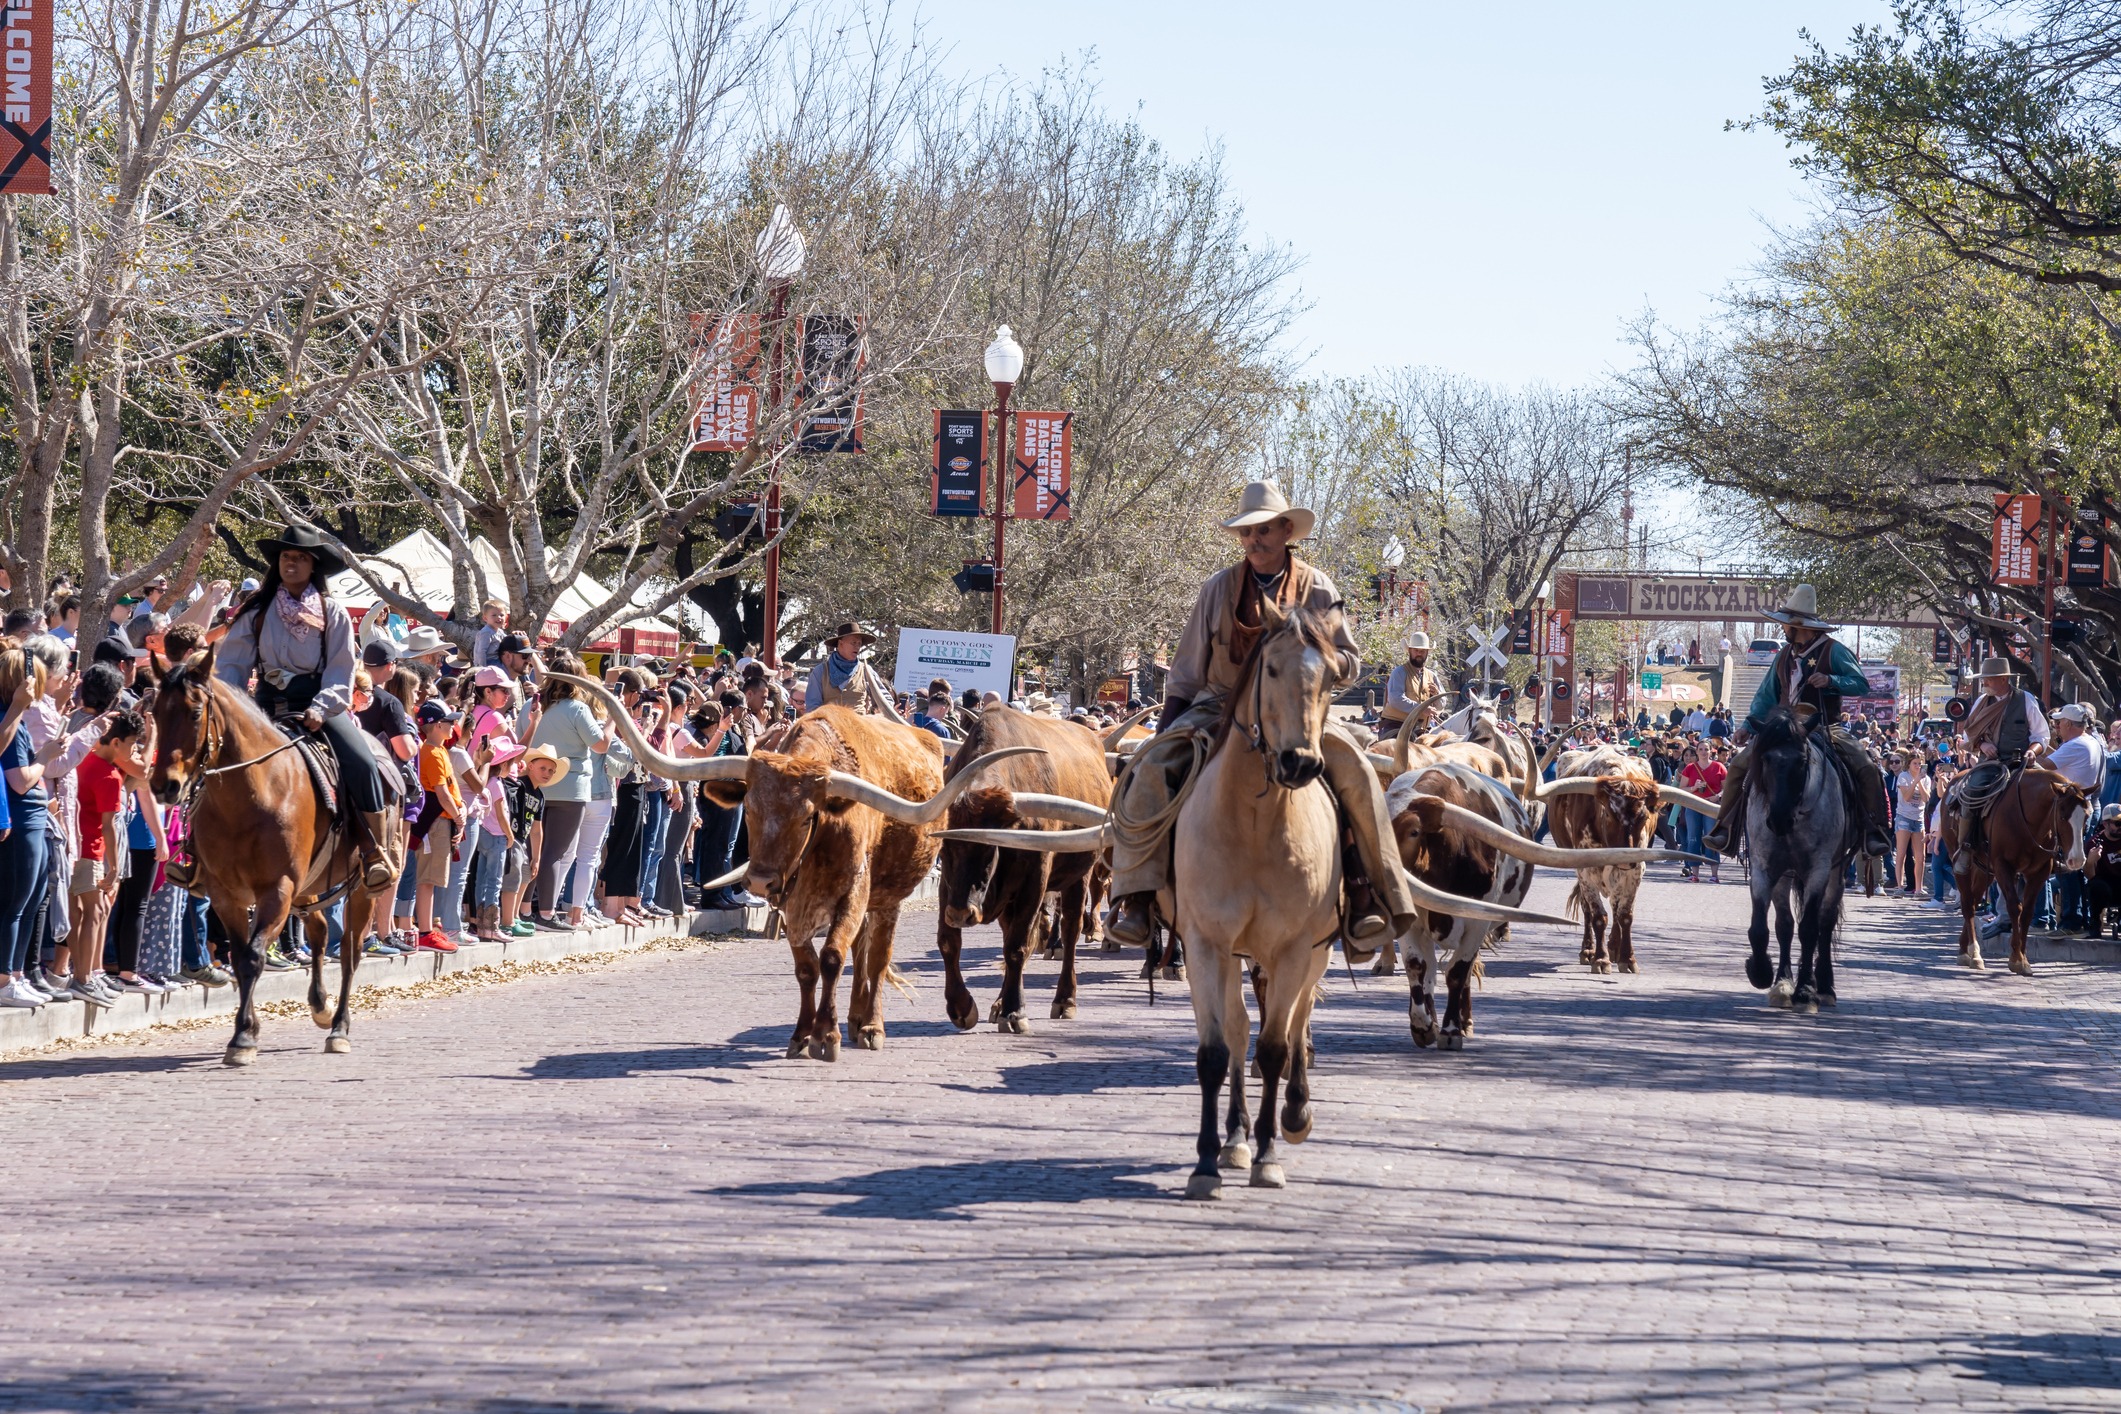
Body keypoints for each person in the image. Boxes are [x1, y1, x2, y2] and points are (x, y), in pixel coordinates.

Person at [1104, 480, 1416, 949]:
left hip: (1299, 710)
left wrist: (1323, 655)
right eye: (1247, 533)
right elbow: (1187, 670)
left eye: (1264, 530)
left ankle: (1367, 892)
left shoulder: (1319, 588)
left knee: (1358, 773)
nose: (1254, 540)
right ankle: (1136, 896)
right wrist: (1163, 733)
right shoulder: (1217, 589)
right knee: (1148, 771)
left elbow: (1351, 663)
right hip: (1217, 708)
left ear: (1287, 530)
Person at [207, 525, 394, 890]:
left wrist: (321, 709)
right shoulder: (255, 612)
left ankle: (374, 851)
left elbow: (341, 671)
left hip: (318, 705)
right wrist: (232, 711)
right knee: (213, 760)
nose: (291, 563)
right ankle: (195, 853)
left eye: (300, 558)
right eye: (286, 557)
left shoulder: (333, 612)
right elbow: (231, 668)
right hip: (263, 706)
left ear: (313, 566)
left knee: (364, 762)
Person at [1701, 585, 1891, 859]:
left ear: (1799, 626)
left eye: (1786, 625)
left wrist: (1831, 681)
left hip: (1825, 726)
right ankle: (1726, 828)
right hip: (1783, 729)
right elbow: (1766, 695)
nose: (1783, 630)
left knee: (1865, 764)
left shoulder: (1834, 651)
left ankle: (1874, 830)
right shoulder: (1783, 655)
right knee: (1739, 766)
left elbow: (1860, 684)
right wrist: (1747, 727)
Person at [1950, 657, 2051, 855]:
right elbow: (1968, 736)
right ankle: (1965, 847)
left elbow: (2041, 736)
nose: (1984, 683)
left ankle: (2053, 851)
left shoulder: (2026, 699)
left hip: (2021, 763)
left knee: (2052, 792)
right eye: (1984, 679)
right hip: (1990, 764)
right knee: (1970, 792)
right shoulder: (1981, 702)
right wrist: (1982, 744)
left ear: (2004, 679)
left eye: (1989, 679)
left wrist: (2032, 751)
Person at [803, 622, 888, 713]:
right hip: (829, 725)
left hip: (859, 725)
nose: (857, 647)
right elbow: (812, 707)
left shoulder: (866, 671)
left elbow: (885, 700)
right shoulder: (820, 671)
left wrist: (878, 713)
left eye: (859, 643)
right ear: (840, 643)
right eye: (853, 642)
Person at [1378, 628, 1444, 738]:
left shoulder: (1432, 676)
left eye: (1422, 651)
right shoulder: (1399, 672)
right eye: (1416, 650)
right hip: (1396, 725)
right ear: (1409, 651)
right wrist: (1422, 708)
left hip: (1422, 729)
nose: (1419, 653)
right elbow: (1396, 699)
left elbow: (1442, 705)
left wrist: (1437, 696)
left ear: (1427, 653)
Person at [1889, 750, 1931, 900]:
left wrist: (1921, 781)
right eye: (1915, 763)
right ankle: (1899, 887)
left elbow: (1926, 798)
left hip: (1918, 818)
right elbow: (1906, 797)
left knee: (1921, 857)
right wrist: (1915, 781)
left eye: (1920, 764)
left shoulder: (1926, 779)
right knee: (1901, 853)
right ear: (1909, 764)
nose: (1918, 766)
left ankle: (1919, 889)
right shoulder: (1903, 777)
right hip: (1904, 817)